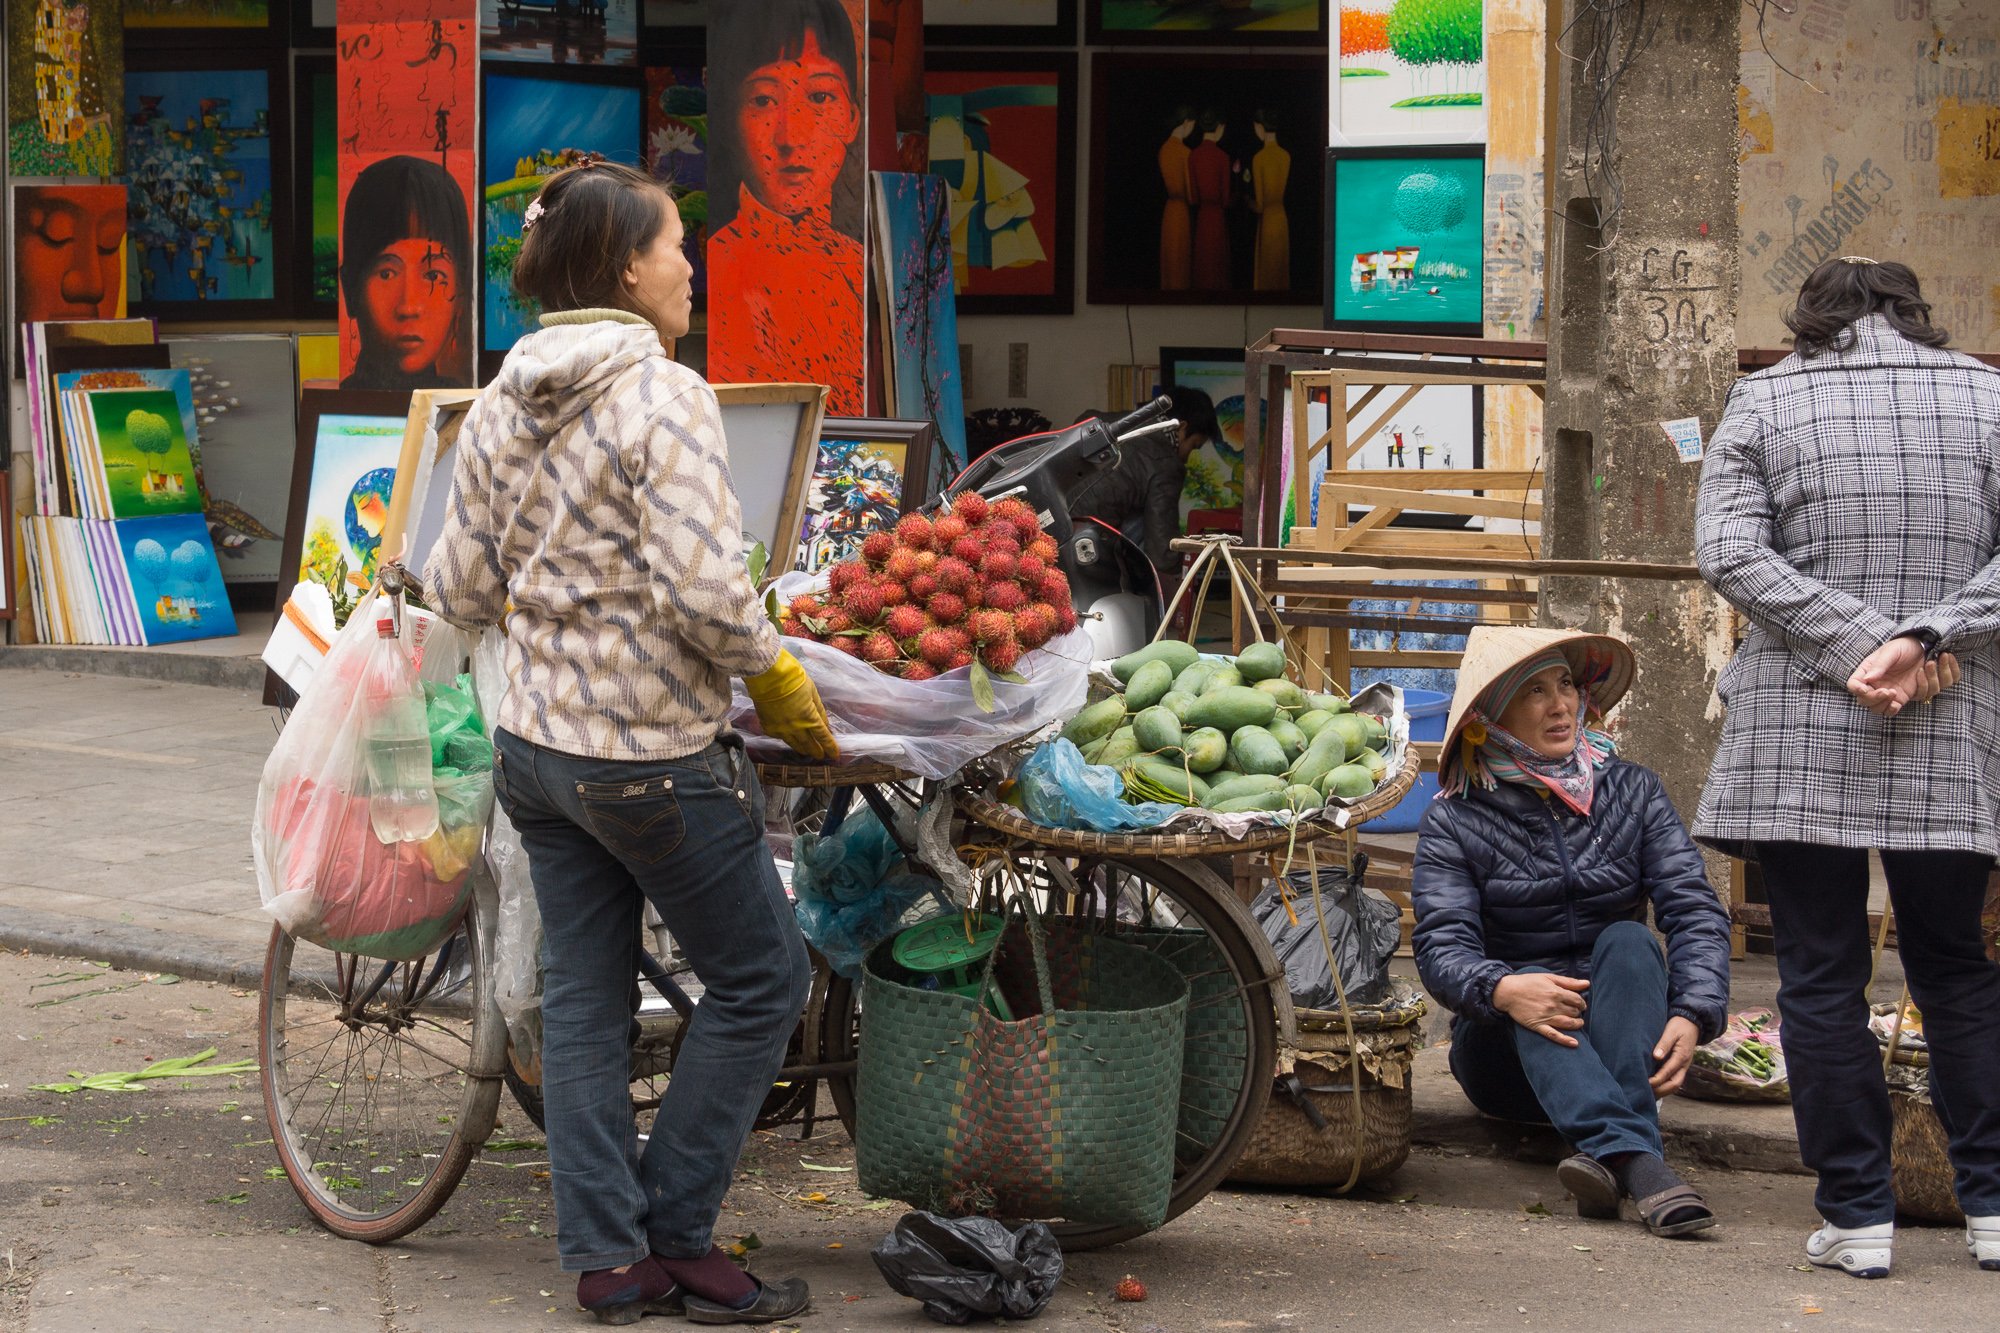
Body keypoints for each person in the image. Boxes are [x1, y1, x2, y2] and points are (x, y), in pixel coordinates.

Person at [421, 160, 836, 1325]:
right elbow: (708, 597)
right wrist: (777, 675)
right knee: (763, 979)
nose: (689, 266)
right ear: (622, 268)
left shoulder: (502, 395)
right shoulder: (664, 395)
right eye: (674, 247)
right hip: (651, 753)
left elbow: (458, 583)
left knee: (588, 1001)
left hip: (537, 755)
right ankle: (680, 1231)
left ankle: (608, 1259)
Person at [1695, 255, 2000, 1280]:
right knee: (1951, 962)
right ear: (1911, 315)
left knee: (1819, 972)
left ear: (1808, 322)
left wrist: (1852, 641)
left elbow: (1728, 553)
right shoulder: (1986, 391)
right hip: (1948, 708)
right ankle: (1993, 1208)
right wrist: (1918, 635)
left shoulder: (1764, 397)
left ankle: (1856, 1218)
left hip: (1800, 712)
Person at [1412, 626, 1732, 1239]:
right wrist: (1503, 989)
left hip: (1624, 1051)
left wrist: (1694, 1011)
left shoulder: (1633, 791)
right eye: (1533, 692)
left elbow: (1693, 909)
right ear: (1491, 716)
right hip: (1509, 1058)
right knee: (1531, 985)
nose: (1560, 705)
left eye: (1565, 685)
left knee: (1632, 942)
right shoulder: (1454, 818)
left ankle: (1609, 1157)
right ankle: (1643, 1164)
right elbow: (1441, 945)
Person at [706, 0, 864, 415]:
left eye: (820, 96)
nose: (791, 135)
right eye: (762, 100)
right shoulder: (717, 263)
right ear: (729, 120)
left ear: (851, 119)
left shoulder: (859, 270)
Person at [1068, 384, 1219, 591]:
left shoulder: (1102, 421)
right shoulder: (1166, 461)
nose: (1186, 457)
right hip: (1093, 542)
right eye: (1193, 446)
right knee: (1153, 524)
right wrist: (1184, 576)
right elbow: (1161, 551)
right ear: (1182, 427)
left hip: (1059, 520)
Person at [339, 155, 471, 391]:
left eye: (433, 276)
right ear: (350, 290)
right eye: (387, 274)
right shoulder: (339, 411)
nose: (409, 308)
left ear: (460, 293)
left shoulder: (474, 415)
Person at [1187, 110, 1231, 291]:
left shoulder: (1193, 156)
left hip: (1202, 219)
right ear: (1219, 127)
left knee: (1203, 265)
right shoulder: (1222, 157)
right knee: (1218, 266)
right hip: (1218, 218)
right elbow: (1226, 199)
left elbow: (1193, 197)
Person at [1249, 108, 1290, 292]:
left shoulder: (1259, 158)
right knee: (1280, 270)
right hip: (1281, 218)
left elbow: (1259, 205)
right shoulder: (1285, 156)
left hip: (1267, 219)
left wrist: (1244, 199)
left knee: (1267, 273)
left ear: (1259, 127)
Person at [1157, 107, 1195, 291]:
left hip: (1168, 212)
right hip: (1181, 213)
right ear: (1186, 123)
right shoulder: (1185, 152)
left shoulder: (1163, 149)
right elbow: (1190, 193)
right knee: (1180, 263)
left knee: (1169, 265)